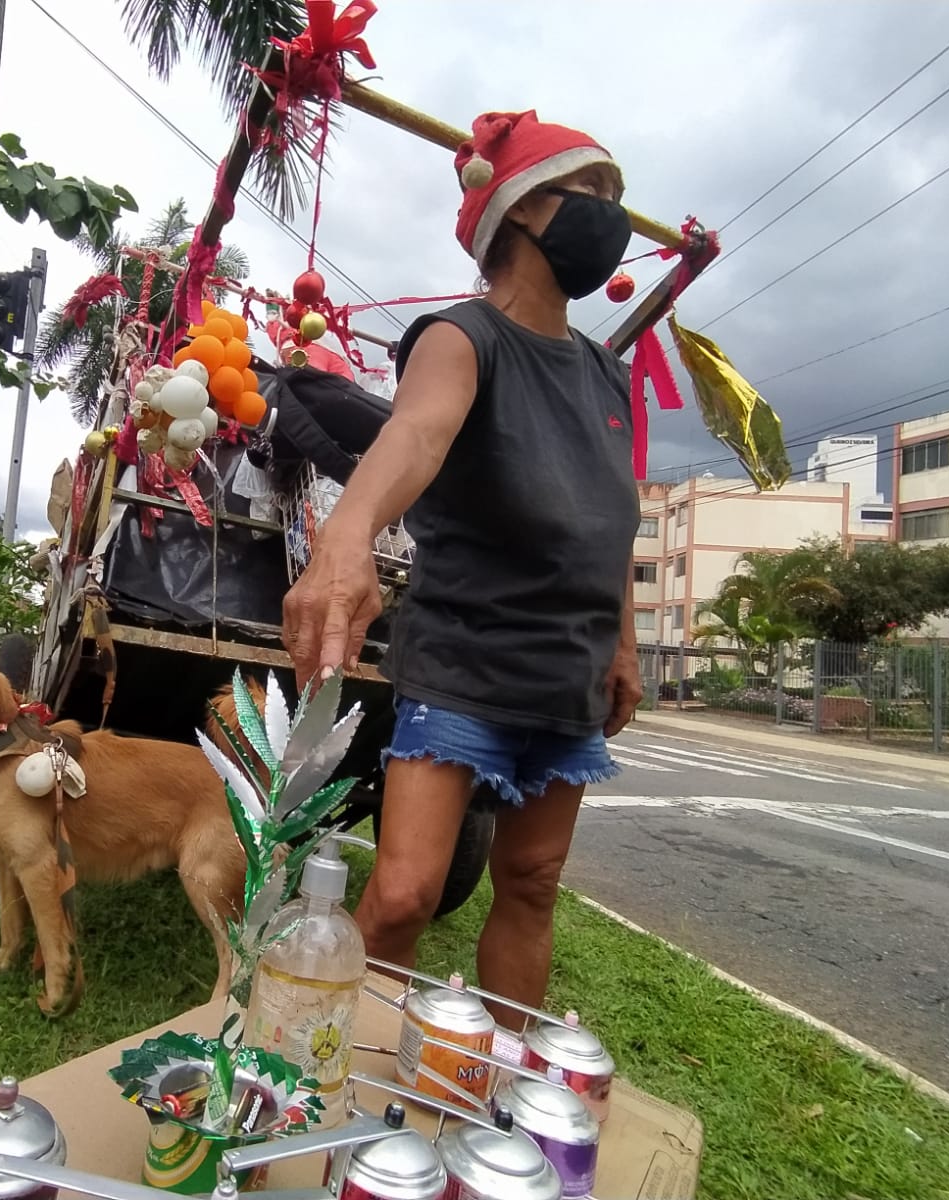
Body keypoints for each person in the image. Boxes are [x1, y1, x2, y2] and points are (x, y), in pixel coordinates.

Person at [280, 110, 644, 1024]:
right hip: (466, 657)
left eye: (617, 199)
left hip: (569, 668)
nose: (611, 217)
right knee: (404, 895)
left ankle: (493, 1083)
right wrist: (346, 536)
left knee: (530, 884)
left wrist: (625, 644)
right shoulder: (462, 337)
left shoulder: (608, 374)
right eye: (589, 194)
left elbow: (612, 520)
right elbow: (416, 432)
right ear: (519, 208)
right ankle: (334, 1071)